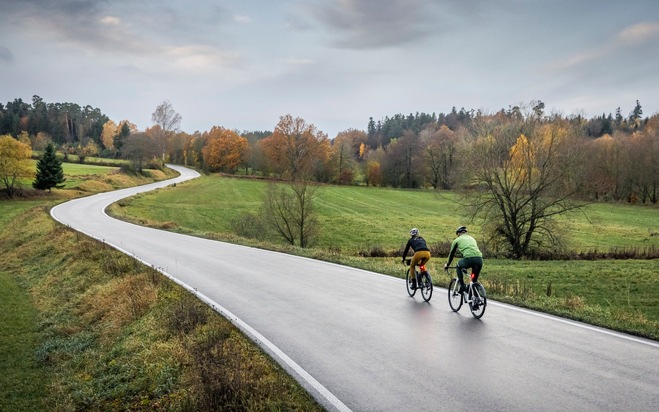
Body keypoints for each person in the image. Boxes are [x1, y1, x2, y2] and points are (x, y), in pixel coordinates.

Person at [444, 226, 483, 294]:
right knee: (474, 280)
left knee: (458, 266)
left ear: (458, 233)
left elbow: (451, 254)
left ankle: (462, 286)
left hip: (469, 259)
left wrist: (447, 264)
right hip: (479, 259)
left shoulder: (457, 240)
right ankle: (476, 298)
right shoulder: (472, 238)